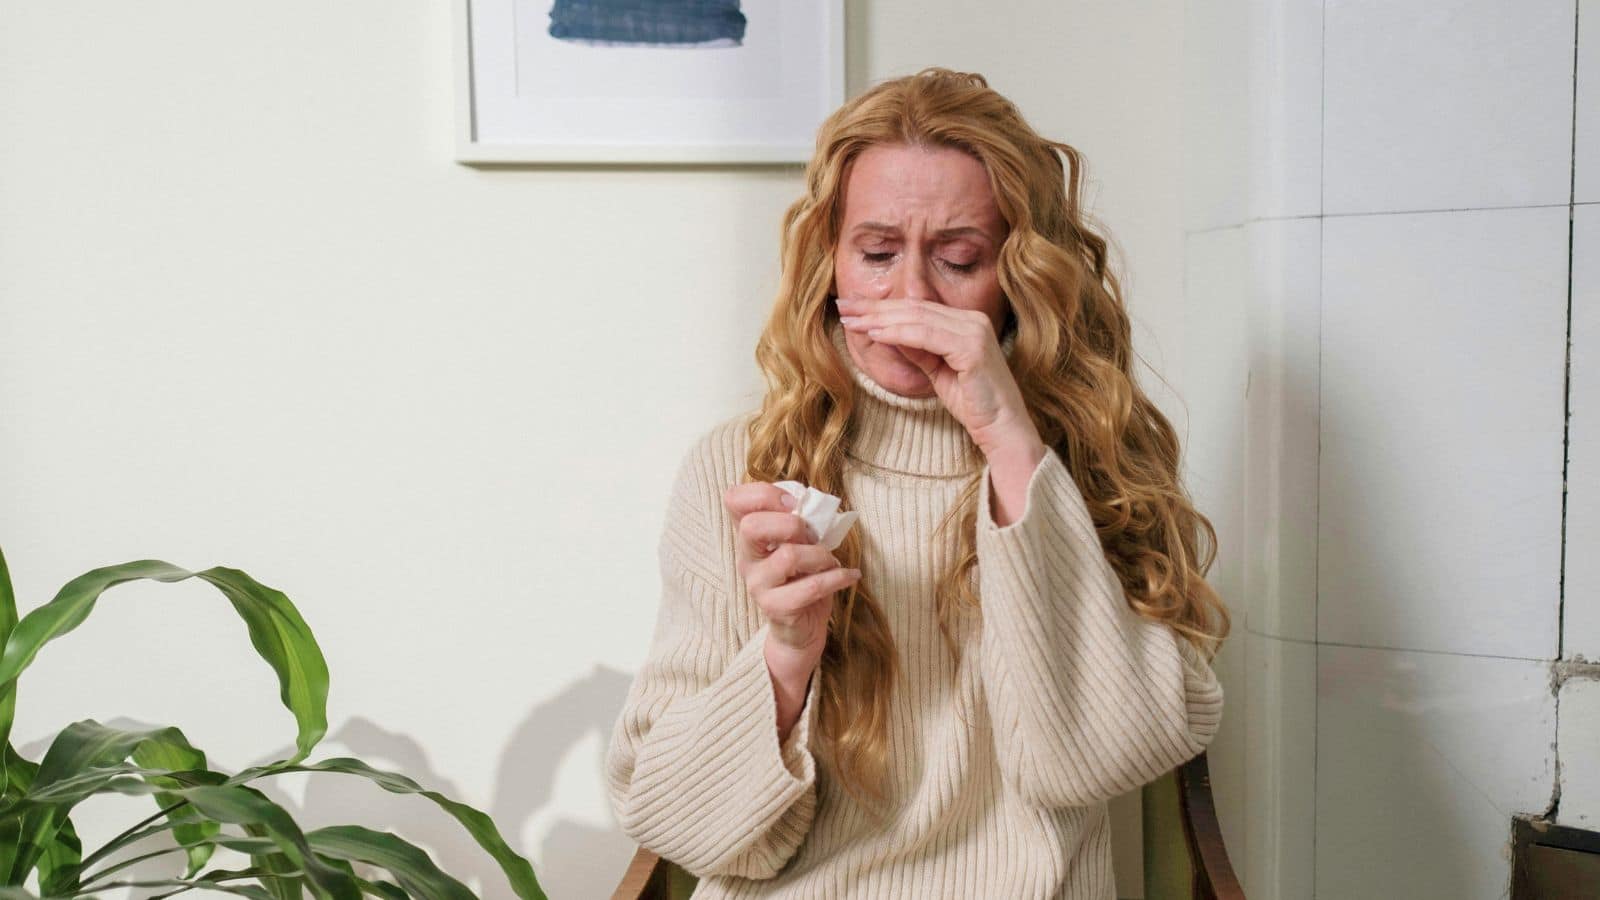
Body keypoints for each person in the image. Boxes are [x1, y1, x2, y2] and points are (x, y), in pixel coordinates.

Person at [604, 67, 1229, 899]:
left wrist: (1009, 440)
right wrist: (786, 657)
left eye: (959, 259)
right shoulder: (740, 468)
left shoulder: (1101, 459)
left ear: (1018, 274)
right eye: (877, 254)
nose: (912, 297)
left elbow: (1097, 759)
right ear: (829, 262)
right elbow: (680, 825)